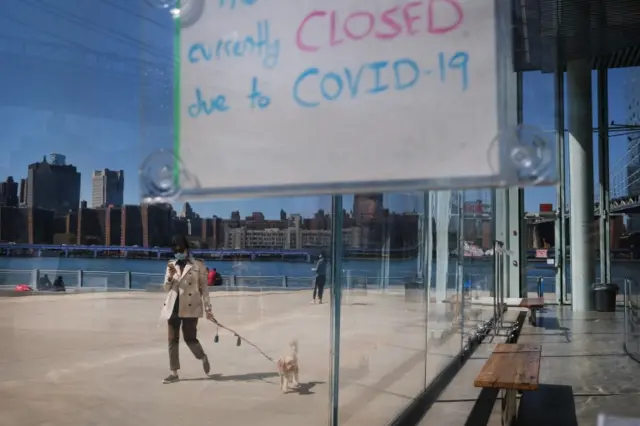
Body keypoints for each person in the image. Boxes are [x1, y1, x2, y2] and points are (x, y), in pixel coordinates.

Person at [162, 234, 215, 384]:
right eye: (176, 250)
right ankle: (174, 373)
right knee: (172, 339)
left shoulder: (198, 265)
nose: (178, 252)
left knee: (189, 338)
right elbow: (166, 288)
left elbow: (204, 288)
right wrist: (170, 278)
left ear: (186, 249)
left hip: (191, 306)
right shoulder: (170, 265)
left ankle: (202, 356)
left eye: (181, 249)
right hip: (173, 305)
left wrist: (208, 308)